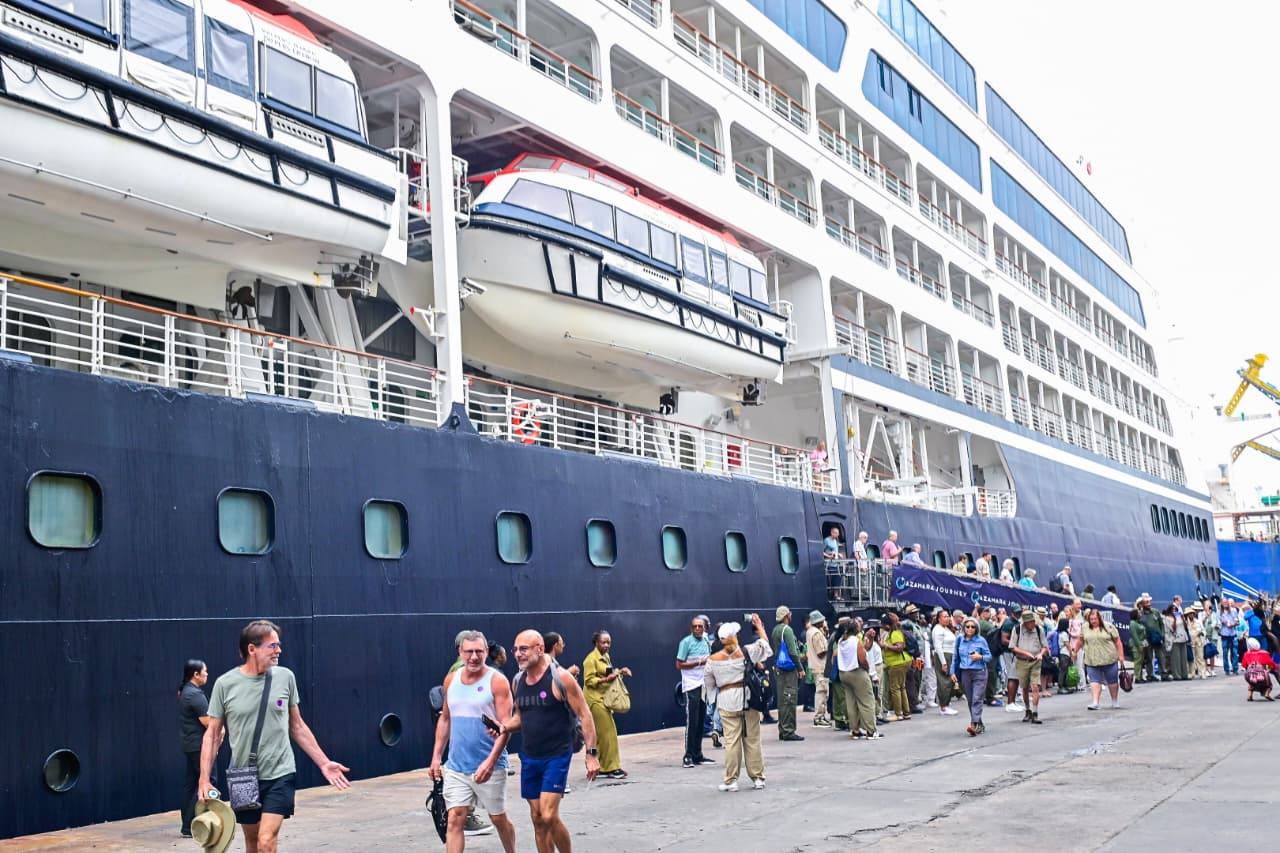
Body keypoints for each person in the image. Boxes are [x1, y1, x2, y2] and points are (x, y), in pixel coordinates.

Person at [197, 621, 350, 853]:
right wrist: (204, 779)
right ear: (252, 649)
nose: (279, 650)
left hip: (280, 772)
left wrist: (323, 762)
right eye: (273, 646)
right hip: (243, 775)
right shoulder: (225, 684)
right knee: (252, 842)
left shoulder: (285, 677)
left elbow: (297, 726)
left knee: (266, 841)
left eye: (279, 645)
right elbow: (212, 735)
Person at [429, 631, 517, 853]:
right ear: (460, 652)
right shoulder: (451, 680)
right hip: (457, 766)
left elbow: (506, 728)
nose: (474, 657)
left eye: (479, 651)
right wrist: (436, 757)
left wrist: (490, 762)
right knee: (454, 819)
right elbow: (445, 719)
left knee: (498, 818)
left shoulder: (497, 682)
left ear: (487, 652)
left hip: (490, 764)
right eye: (469, 651)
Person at [704, 616, 772, 791]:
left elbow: (709, 684)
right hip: (747, 699)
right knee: (752, 740)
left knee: (732, 742)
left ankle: (731, 780)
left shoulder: (713, 660)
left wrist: (714, 700)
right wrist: (759, 627)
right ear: (735, 636)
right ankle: (758, 777)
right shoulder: (746, 652)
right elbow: (766, 646)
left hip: (726, 700)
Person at [581, 631, 629, 780]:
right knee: (609, 733)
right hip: (594, 700)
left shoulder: (605, 657)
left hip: (603, 698)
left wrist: (620, 671)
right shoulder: (590, 660)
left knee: (601, 736)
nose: (607, 645)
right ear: (596, 643)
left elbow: (608, 674)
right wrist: (606, 679)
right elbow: (589, 681)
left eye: (609, 642)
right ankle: (612, 768)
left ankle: (599, 766)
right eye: (604, 642)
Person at [178, 659, 213, 838]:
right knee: (206, 781)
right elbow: (208, 723)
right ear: (196, 675)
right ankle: (190, 825)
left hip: (190, 745)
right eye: (205, 671)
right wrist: (220, 731)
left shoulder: (185, 691)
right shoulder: (195, 695)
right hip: (199, 746)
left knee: (191, 784)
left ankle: (187, 824)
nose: (207, 674)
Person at [676, 615, 714, 768]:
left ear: (704, 628)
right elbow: (679, 664)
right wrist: (699, 662)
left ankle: (698, 754)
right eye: (695, 626)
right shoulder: (685, 642)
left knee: (700, 720)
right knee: (692, 721)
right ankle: (688, 755)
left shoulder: (706, 641)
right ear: (691, 628)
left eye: (700, 626)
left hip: (704, 684)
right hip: (691, 685)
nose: (698, 628)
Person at [835, 618, 881, 739]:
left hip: (844, 673)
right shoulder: (855, 641)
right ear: (855, 629)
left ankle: (855, 729)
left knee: (851, 702)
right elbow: (862, 659)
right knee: (867, 701)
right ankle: (871, 731)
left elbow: (866, 648)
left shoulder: (841, 640)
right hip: (857, 672)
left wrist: (868, 638)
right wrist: (866, 667)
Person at [769, 606, 805, 741]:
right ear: (786, 616)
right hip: (788, 670)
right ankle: (789, 731)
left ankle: (783, 730)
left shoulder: (775, 630)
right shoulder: (787, 630)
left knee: (782, 700)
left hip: (779, 668)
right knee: (790, 698)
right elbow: (793, 652)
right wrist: (800, 668)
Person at [950, 618, 992, 736]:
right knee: (970, 700)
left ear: (976, 628)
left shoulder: (981, 640)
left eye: (972, 627)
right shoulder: (960, 639)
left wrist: (980, 657)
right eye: (967, 626)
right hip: (965, 672)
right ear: (964, 627)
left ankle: (974, 724)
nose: (970, 629)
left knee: (977, 698)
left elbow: (989, 657)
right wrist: (952, 672)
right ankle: (979, 723)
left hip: (979, 672)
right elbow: (955, 657)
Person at [1082, 609, 1125, 710]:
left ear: (1099, 618)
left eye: (1095, 619)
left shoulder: (1108, 627)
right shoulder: (1085, 627)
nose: (1093, 621)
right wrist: (1075, 650)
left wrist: (1121, 656)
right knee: (1094, 681)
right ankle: (1095, 702)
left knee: (1112, 681)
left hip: (1109, 658)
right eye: (1091, 619)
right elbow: (1081, 640)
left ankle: (1114, 701)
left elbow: (1118, 641)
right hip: (1092, 659)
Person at [1009, 610, 1048, 723]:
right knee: (1025, 688)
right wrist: (1026, 653)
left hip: (1036, 661)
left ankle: (1035, 713)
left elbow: (1045, 646)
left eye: (1033, 621)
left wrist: (1041, 654)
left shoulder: (1038, 629)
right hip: (1021, 661)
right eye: (1030, 622)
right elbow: (1012, 647)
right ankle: (1028, 710)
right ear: (1025, 623)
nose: (1032, 624)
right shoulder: (1017, 629)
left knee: (1035, 686)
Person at [881, 612, 912, 721]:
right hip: (899, 663)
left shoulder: (895, 633)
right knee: (901, 687)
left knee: (895, 688)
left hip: (897, 663)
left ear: (887, 625)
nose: (882, 627)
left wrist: (886, 645)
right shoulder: (893, 632)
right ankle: (906, 712)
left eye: (883, 624)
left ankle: (898, 713)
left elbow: (899, 648)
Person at [805, 611, 832, 728]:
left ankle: (821, 716)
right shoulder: (816, 633)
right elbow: (820, 652)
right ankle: (819, 717)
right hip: (820, 666)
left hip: (816, 665)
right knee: (822, 692)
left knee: (822, 691)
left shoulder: (810, 632)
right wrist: (829, 647)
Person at [931, 611, 958, 716]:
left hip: (950, 655)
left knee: (950, 681)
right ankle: (943, 706)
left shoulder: (946, 629)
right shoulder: (937, 629)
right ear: (939, 618)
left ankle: (946, 703)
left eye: (948, 616)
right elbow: (938, 647)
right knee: (944, 681)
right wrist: (944, 663)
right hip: (943, 656)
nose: (947, 618)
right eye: (944, 616)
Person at [1167, 605, 1189, 681]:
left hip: (1183, 637)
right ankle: (1177, 675)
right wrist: (1175, 619)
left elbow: (1186, 627)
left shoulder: (1180, 617)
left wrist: (1183, 618)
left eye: (1175, 609)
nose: (1174, 611)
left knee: (1183, 657)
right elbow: (1172, 629)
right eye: (1173, 609)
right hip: (1175, 639)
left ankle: (1185, 674)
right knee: (1176, 658)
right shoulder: (1168, 618)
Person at [1129, 609, 1150, 684]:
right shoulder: (1133, 623)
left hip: (1143, 643)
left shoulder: (1139, 623)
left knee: (1141, 661)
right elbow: (1135, 636)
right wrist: (1139, 645)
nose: (1140, 614)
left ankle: (1140, 676)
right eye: (1139, 613)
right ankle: (1137, 677)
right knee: (1137, 661)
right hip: (1136, 645)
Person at [1220, 599, 1240, 676]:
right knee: (1225, 653)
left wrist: (1233, 624)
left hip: (1233, 634)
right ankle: (1226, 669)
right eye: (1223, 602)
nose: (1225, 604)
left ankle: (1235, 668)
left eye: (1226, 602)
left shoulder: (1234, 611)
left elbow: (1238, 621)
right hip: (1224, 634)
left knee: (1234, 652)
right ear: (1221, 603)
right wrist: (1225, 622)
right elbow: (1221, 621)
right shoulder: (1220, 612)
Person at [1186, 610, 1207, 679]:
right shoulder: (1186, 623)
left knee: (1200, 657)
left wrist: (1201, 633)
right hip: (1190, 642)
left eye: (1192, 614)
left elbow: (1203, 630)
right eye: (1189, 614)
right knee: (1191, 659)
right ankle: (1192, 673)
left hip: (1198, 641)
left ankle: (1202, 673)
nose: (1191, 615)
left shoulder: (1198, 621)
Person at [1204, 600, 1221, 676]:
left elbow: (1219, 623)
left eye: (1209, 605)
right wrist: (1206, 616)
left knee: (1212, 653)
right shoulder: (1201, 614)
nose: (1208, 607)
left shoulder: (1214, 614)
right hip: (1205, 636)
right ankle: (1206, 670)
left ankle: (1212, 669)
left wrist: (1217, 626)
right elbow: (1200, 623)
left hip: (1213, 636)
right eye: (1207, 605)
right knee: (1205, 653)